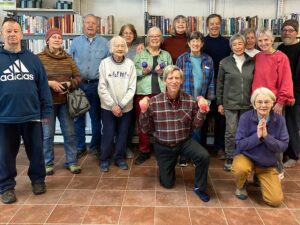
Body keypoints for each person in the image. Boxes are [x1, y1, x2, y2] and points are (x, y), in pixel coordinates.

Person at [139, 65, 210, 202]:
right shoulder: (154, 102)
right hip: (163, 145)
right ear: (165, 81)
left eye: (177, 78)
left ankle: (199, 187)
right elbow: (146, 130)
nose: (174, 81)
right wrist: (143, 112)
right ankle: (169, 167)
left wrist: (202, 111)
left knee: (204, 156)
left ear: (182, 80)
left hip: (184, 142)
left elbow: (196, 125)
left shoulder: (190, 100)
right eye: (170, 78)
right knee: (167, 184)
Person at [0, 18, 52, 204]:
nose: (12, 34)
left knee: (37, 152)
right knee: (5, 155)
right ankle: (6, 187)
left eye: (16, 30)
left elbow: (43, 87)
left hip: (32, 116)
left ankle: (38, 180)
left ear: (22, 34)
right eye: (8, 31)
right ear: (2, 34)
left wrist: (46, 112)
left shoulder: (33, 59)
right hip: (5, 118)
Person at [232, 87, 289, 207]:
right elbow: (239, 143)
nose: (263, 105)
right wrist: (257, 137)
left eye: (267, 102)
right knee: (240, 168)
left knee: (275, 201)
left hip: (267, 163)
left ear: (272, 103)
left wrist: (266, 137)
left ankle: (259, 176)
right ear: (254, 104)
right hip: (247, 157)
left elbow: (283, 145)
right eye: (259, 102)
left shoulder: (280, 120)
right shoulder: (245, 117)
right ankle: (241, 186)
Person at [37, 28, 81, 175]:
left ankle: (72, 162)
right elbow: (34, 79)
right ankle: (47, 163)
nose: (57, 39)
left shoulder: (68, 58)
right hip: (46, 104)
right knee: (47, 135)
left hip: (65, 102)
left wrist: (70, 84)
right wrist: (49, 83)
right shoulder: (39, 58)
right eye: (54, 37)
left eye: (59, 37)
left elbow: (78, 77)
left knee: (69, 133)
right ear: (47, 40)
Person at [252, 28, 294, 178]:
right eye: (260, 40)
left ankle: (278, 168)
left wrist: (281, 102)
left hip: (274, 104)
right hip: (257, 104)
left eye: (266, 40)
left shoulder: (281, 57)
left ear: (272, 40)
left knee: (274, 137)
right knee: (259, 135)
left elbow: (286, 81)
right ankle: (261, 168)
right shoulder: (257, 57)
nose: (263, 43)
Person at [69, 14, 110, 158]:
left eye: (93, 23)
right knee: (78, 118)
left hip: (96, 85)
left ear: (97, 26)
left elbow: (108, 66)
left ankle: (95, 146)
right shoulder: (75, 42)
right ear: (83, 25)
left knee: (96, 118)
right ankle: (80, 147)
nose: (91, 25)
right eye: (88, 23)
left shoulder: (105, 43)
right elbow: (70, 63)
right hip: (78, 85)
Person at [133, 26, 172, 165]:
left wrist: (163, 73)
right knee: (142, 123)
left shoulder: (166, 55)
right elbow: (132, 72)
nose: (154, 38)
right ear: (148, 39)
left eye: (157, 36)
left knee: (160, 123)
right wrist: (143, 72)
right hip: (143, 93)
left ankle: (161, 150)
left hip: (161, 93)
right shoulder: (140, 54)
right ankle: (144, 151)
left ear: (161, 39)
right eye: (152, 36)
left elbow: (171, 74)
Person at [176, 31, 215, 166]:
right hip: (184, 100)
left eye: (198, 41)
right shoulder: (182, 59)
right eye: (193, 41)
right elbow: (176, 80)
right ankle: (184, 156)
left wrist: (208, 100)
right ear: (188, 43)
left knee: (197, 130)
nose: (195, 43)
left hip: (201, 101)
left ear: (202, 43)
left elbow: (211, 82)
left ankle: (196, 155)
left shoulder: (208, 60)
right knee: (184, 129)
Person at [216, 33, 254, 172]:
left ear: (244, 45)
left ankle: (242, 157)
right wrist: (219, 103)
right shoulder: (225, 62)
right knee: (231, 131)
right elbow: (219, 84)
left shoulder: (252, 61)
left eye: (240, 44)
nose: (237, 47)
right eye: (234, 44)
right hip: (230, 103)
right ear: (231, 46)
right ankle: (230, 157)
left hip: (247, 103)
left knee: (245, 132)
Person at [98, 36, 136, 172]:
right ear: (111, 48)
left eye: (122, 46)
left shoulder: (130, 64)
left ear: (125, 48)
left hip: (126, 107)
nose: (120, 48)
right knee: (108, 133)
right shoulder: (104, 63)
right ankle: (104, 159)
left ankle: (119, 158)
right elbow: (102, 87)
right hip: (108, 107)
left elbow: (132, 87)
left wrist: (121, 105)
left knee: (123, 133)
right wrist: (113, 105)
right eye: (117, 46)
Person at [203, 14, 231, 158]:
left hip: (222, 85)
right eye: (211, 23)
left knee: (221, 117)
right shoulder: (203, 41)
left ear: (220, 25)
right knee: (204, 115)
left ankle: (220, 146)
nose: (214, 26)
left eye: (217, 23)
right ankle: (202, 147)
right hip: (206, 85)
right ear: (207, 25)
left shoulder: (227, 43)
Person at [277, 19, 300, 168]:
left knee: (292, 124)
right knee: (281, 124)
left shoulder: (299, 48)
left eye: (290, 30)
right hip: (281, 94)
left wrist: (292, 95)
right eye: (284, 30)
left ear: (297, 32)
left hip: (295, 95)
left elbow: (298, 75)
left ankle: (294, 154)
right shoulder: (280, 47)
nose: (287, 32)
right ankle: (284, 151)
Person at [119, 24, 143, 159]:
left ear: (134, 35)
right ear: (121, 35)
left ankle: (127, 146)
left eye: (130, 33)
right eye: (125, 33)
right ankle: (118, 146)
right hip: (118, 89)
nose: (128, 35)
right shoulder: (117, 47)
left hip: (133, 88)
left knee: (129, 121)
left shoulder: (139, 48)